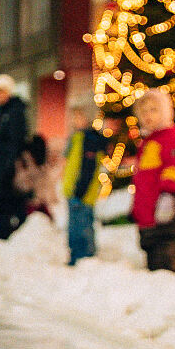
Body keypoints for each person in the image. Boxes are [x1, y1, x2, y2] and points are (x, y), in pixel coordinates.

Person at [132, 87, 175, 271]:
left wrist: (169, 195)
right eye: (144, 111)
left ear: (165, 111)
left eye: (154, 110)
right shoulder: (148, 141)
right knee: (152, 251)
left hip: (164, 204)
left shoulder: (171, 137)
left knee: (164, 253)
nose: (148, 115)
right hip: (148, 210)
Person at [61, 97, 106, 265]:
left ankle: (86, 258)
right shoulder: (76, 137)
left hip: (83, 194)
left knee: (83, 228)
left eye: (79, 116)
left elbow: (88, 168)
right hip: (73, 191)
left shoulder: (91, 140)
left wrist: (79, 191)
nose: (75, 120)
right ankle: (75, 257)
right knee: (73, 229)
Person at [0, 73, 29, 240]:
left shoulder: (14, 112)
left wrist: (7, 168)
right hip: (2, 168)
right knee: (3, 208)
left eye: (1, 92)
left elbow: (14, 142)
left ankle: (12, 241)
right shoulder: (0, 113)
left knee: (12, 207)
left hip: (10, 171)